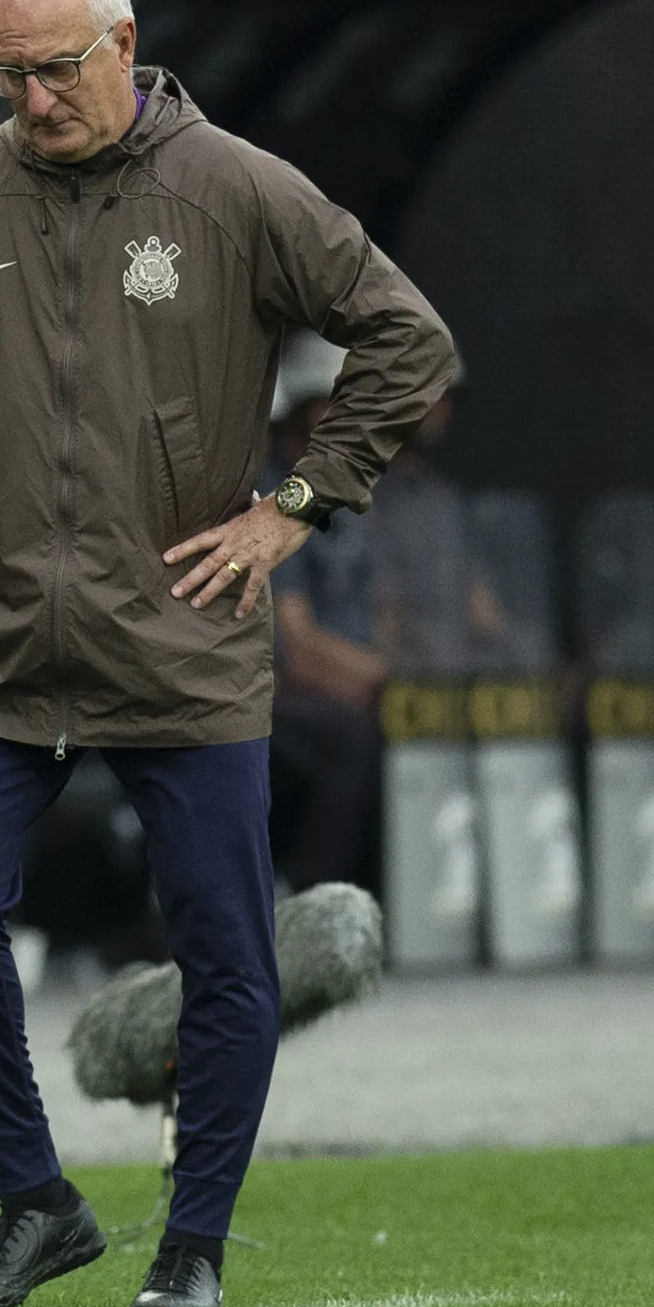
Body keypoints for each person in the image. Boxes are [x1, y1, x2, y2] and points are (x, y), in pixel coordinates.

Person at [0, 0, 458, 1307]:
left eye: (52, 71)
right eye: (3, 77)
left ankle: (194, 1243)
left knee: (224, 943)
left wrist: (293, 501)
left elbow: (407, 340)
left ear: (120, 43)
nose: (30, 103)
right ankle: (36, 1199)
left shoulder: (235, 191)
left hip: (182, 630)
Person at [262, 334, 387, 893]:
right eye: (330, 403)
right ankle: (311, 898)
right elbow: (296, 648)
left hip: (355, 682)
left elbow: (388, 611)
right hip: (282, 694)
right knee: (355, 738)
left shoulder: (346, 493)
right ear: (299, 410)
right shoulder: (271, 497)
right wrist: (384, 680)